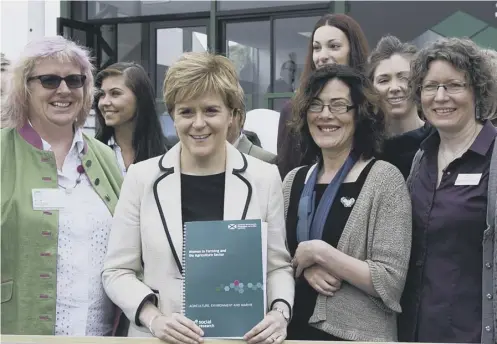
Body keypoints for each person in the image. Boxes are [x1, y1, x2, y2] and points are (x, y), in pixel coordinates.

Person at [102, 52, 295, 342]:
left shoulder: (264, 177)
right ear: (173, 115)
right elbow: (117, 271)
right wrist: (154, 319)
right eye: (187, 112)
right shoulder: (141, 178)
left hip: (239, 338)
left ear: (232, 115)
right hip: (159, 338)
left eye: (211, 110)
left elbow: (278, 266)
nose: (198, 123)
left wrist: (280, 314)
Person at [0, 36, 122, 335]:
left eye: (74, 80)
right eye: (49, 80)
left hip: (100, 335)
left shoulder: (105, 156)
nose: (64, 90)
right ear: (24, 88)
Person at [283, 64, 412, 341]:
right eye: (315, 105)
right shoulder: (292, 181)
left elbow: (390, 281)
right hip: (291, 332)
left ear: (360, 114)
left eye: (339, 105)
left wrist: (321, 253)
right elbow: (275, 261)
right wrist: (305, 269)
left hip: (357, 336)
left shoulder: (385, 180)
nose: (325, 115)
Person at [398, 37, 497, 344]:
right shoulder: (421, 159)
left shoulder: (493, 157)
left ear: (476, 91)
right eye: (430, 87)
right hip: (416, 331)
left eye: (454, 85)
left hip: (474, 333)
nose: (441, 97)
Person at [277, 13, 369, 179]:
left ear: (353, 51)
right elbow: (286, 174)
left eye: (333, 46)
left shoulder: (371, 106)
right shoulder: (293, 111)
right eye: (317, 48)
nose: (322, 56)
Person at [367, 35, 433, 179]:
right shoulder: (365, 149)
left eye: (403, 77)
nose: (394, 87)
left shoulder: (438, 140)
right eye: (384, 80)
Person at [94, 62, 168, 176]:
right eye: (102, 94)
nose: (104, 102)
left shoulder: (167, 157)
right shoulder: (91, 153)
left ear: (140, 98)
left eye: (115, 93)